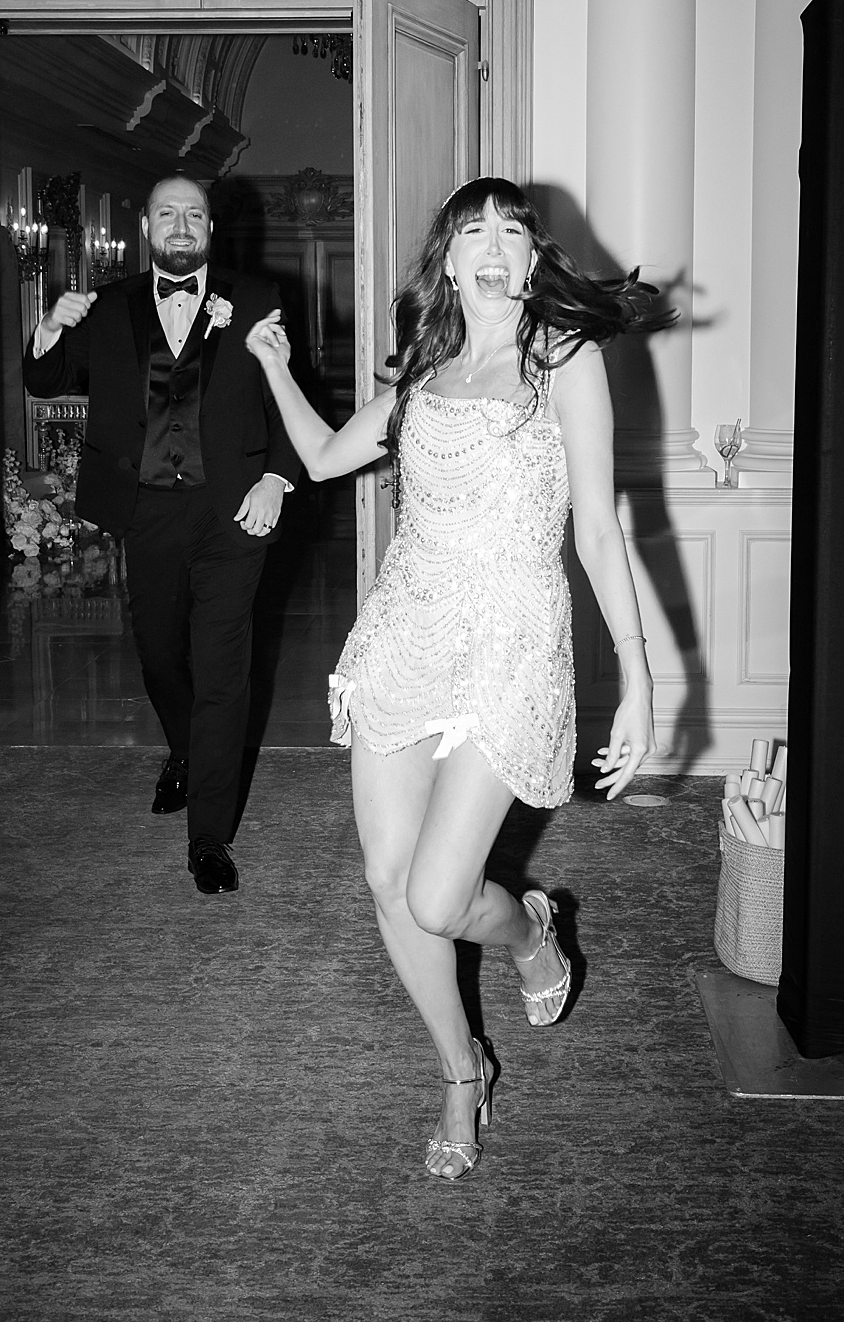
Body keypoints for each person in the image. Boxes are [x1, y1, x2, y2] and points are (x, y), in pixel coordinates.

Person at [243, 177, 666, 1181]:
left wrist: (642, 680)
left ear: (531, 262)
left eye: (512, 231)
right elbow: (320, 453)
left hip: (510, 647)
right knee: (390, 886)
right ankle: (460, 1072)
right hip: (403, 635)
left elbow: (600, 533)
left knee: (439, 896)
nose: (491, 244)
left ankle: (528, 928)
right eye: (471, 229)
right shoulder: (425, 373)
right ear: (446, 259)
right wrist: (272, 363)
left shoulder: (566, 359)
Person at [23, 174, 301, 895]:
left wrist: (276, 479)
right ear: (145, 227)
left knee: (221, 666)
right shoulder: (108, 307)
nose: (181, 226)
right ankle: (186, 749)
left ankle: (208, 836)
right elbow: (46, 381)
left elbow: (290, 401)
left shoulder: (259, 299)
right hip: (145, 511)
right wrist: (51, 325)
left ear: (212, 227)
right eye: (167, 214)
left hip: (233, 512)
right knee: (158, 654)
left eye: (194, 215)